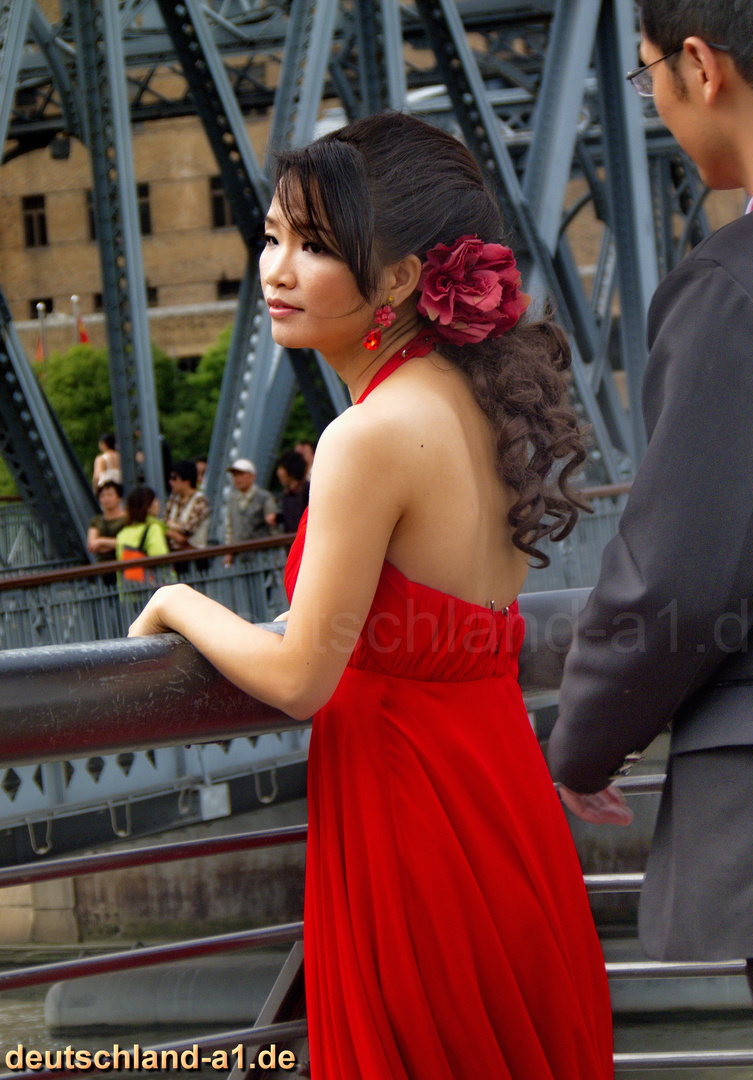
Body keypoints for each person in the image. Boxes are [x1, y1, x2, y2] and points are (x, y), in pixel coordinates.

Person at [129, 111, 615, 1079]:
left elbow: (303, 674)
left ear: (398, 280)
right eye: (272, 235)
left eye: (312, 245)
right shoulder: (480, 407)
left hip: (408, 836)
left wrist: (178, 604)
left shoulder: (366, 437)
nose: (275, 268)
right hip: (504, 813)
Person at [546, 3, 753, 1076]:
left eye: (650, 70)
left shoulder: (744, 280)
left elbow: (681, 582)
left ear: (703, 67)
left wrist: (584, 738)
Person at [223, 458, 278, 568]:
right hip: (240, 557)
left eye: (241, 474)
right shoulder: (232, 500)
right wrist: (228, 551)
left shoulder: (265, 497)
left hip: (263, 556)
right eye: (235, 475)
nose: (237, 479)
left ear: (252, 476)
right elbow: (229, 528)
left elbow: (273, 524)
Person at [115, 486, 169, 593]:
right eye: (155, 500)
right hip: (153, 591)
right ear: (148, 506)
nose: (158, 503)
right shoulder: (153, 528)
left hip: (130, 591)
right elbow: (161, 557)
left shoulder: (123, 533)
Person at [163, 459, 211, 554]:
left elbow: (187, 529)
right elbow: (164, 522)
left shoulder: (200, 501)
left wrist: (170, 526)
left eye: (174, 478)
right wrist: (176, 534)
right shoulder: (173, 498)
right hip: (174, 554)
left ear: (187, 481)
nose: (170, 482)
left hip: (194, 556)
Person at [86, 480, 128, 586]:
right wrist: (114, 544)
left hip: (123, 565)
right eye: (102, 496)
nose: (106, 499)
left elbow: (127, 543)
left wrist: (101, 541)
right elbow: (92, 545)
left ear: (119, 497)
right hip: (103, 569)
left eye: (110, 495)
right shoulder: (96, 521)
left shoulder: (127, 518)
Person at [271, 450, 309, 536]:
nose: (279, 472)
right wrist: (277, 518)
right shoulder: (286, 493)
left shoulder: (307, 490)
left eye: (281, 468)